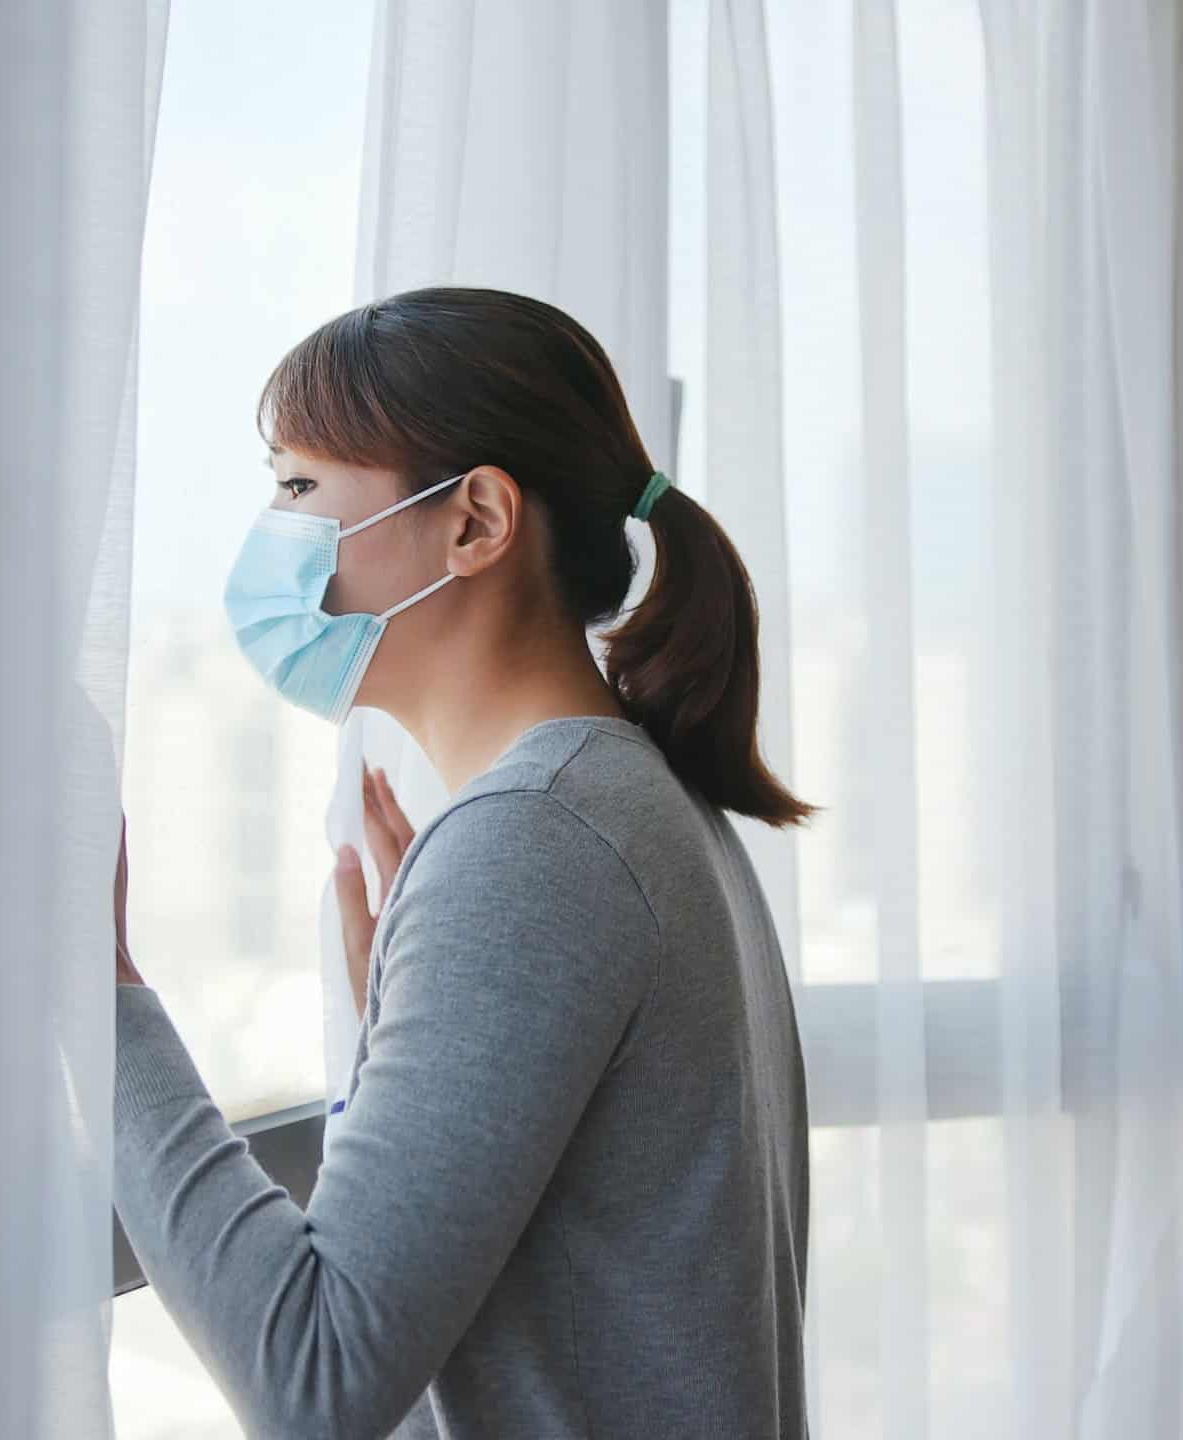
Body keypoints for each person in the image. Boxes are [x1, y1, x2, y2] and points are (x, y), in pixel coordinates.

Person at [111, 286, 816, 1439]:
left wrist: (106, 998)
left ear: (477, 522)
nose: (265, 536)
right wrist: (405, 1009)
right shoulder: (624, 798)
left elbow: (313, 1376)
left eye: (297, 488)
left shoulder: (539, 840)